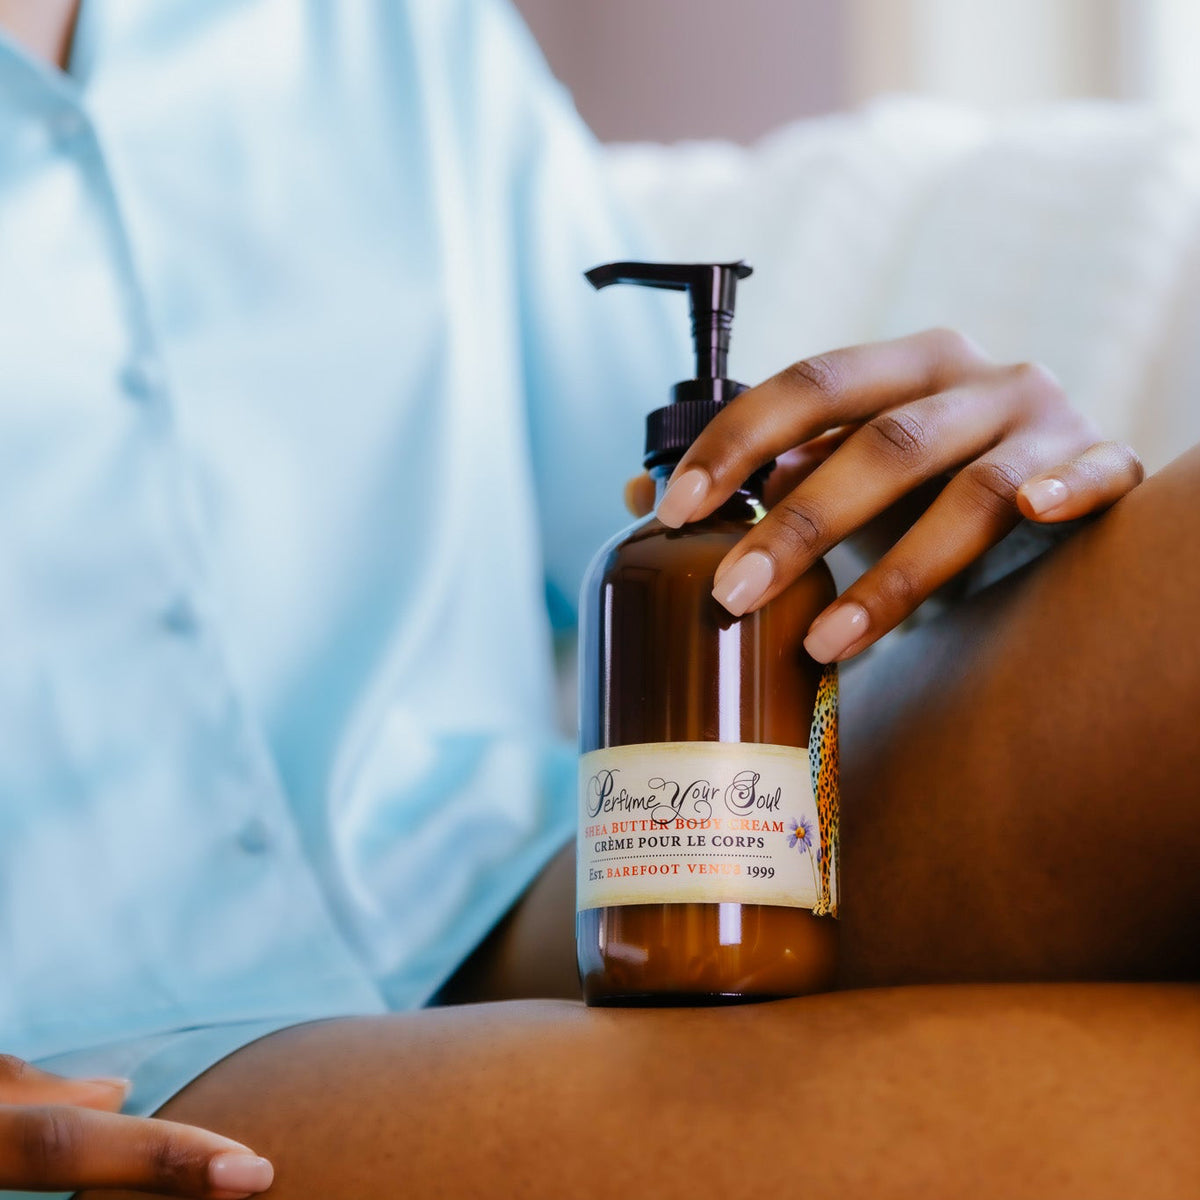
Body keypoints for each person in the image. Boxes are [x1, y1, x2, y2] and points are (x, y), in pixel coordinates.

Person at [0, 2, 1196, 1198]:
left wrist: (930, 509)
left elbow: (664, 507)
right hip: (103, 1057)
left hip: (561, 877)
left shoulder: (398, 29)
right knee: (1136, 1135)